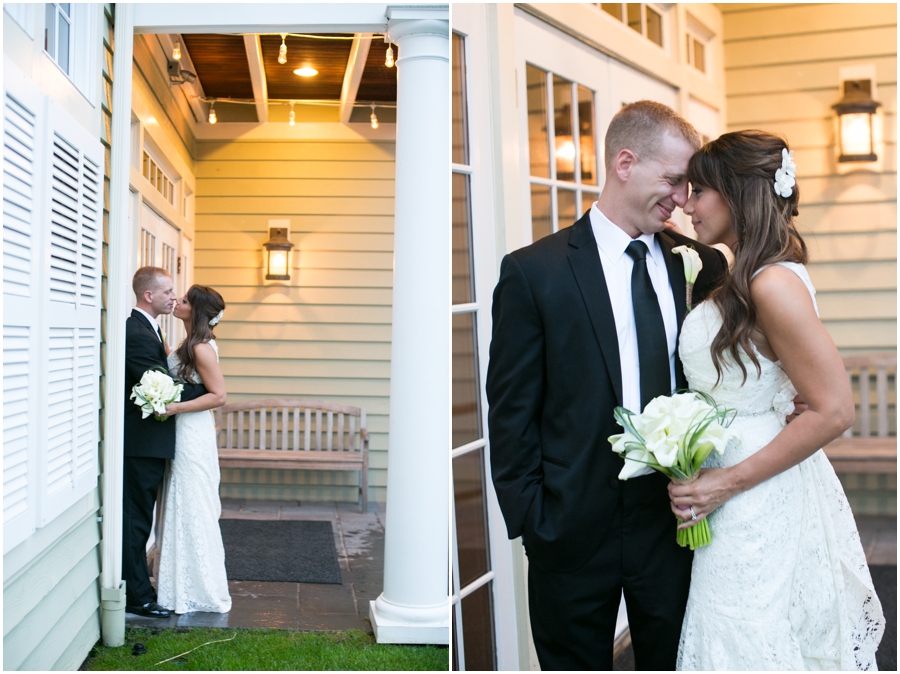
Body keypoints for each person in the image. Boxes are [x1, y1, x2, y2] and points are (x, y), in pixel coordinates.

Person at [486, 101, 728, 670]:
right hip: (569, 527)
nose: (681, 199)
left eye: (687, 184)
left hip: (675, 523)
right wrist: (533, 521)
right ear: (625, 163)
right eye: (672, 180)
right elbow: (511, 410)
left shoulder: (698, 265)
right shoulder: (534, 271)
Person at [669, 130, 884, 670]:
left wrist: (725, 482)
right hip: (741, 485)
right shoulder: (752, 275)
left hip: (751, 492)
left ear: (738, 194)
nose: (687, 204)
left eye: (700, 191)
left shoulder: (770, 284)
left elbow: (835, 408)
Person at [123, 267, 209, 618]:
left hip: (153, 441)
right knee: (136, 520)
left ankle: (140, 585)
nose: (174, 297)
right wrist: (205, 388)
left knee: (142, 518)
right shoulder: (138, 333)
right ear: (149, 296)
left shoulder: (151, 329)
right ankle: (137, 596)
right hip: (142, 443)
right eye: (169, 291)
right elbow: (159, 385)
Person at [156, 284, 232, 614]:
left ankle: (199, 588)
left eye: (184, 300)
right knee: (180, 502)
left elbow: (218, 396)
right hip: (184, 430)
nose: (177, 301)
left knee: (191, 503)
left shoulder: (201, 348)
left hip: (191, 433)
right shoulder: (190, 343)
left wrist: (173, 408)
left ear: (196, 311)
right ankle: (178, 582)